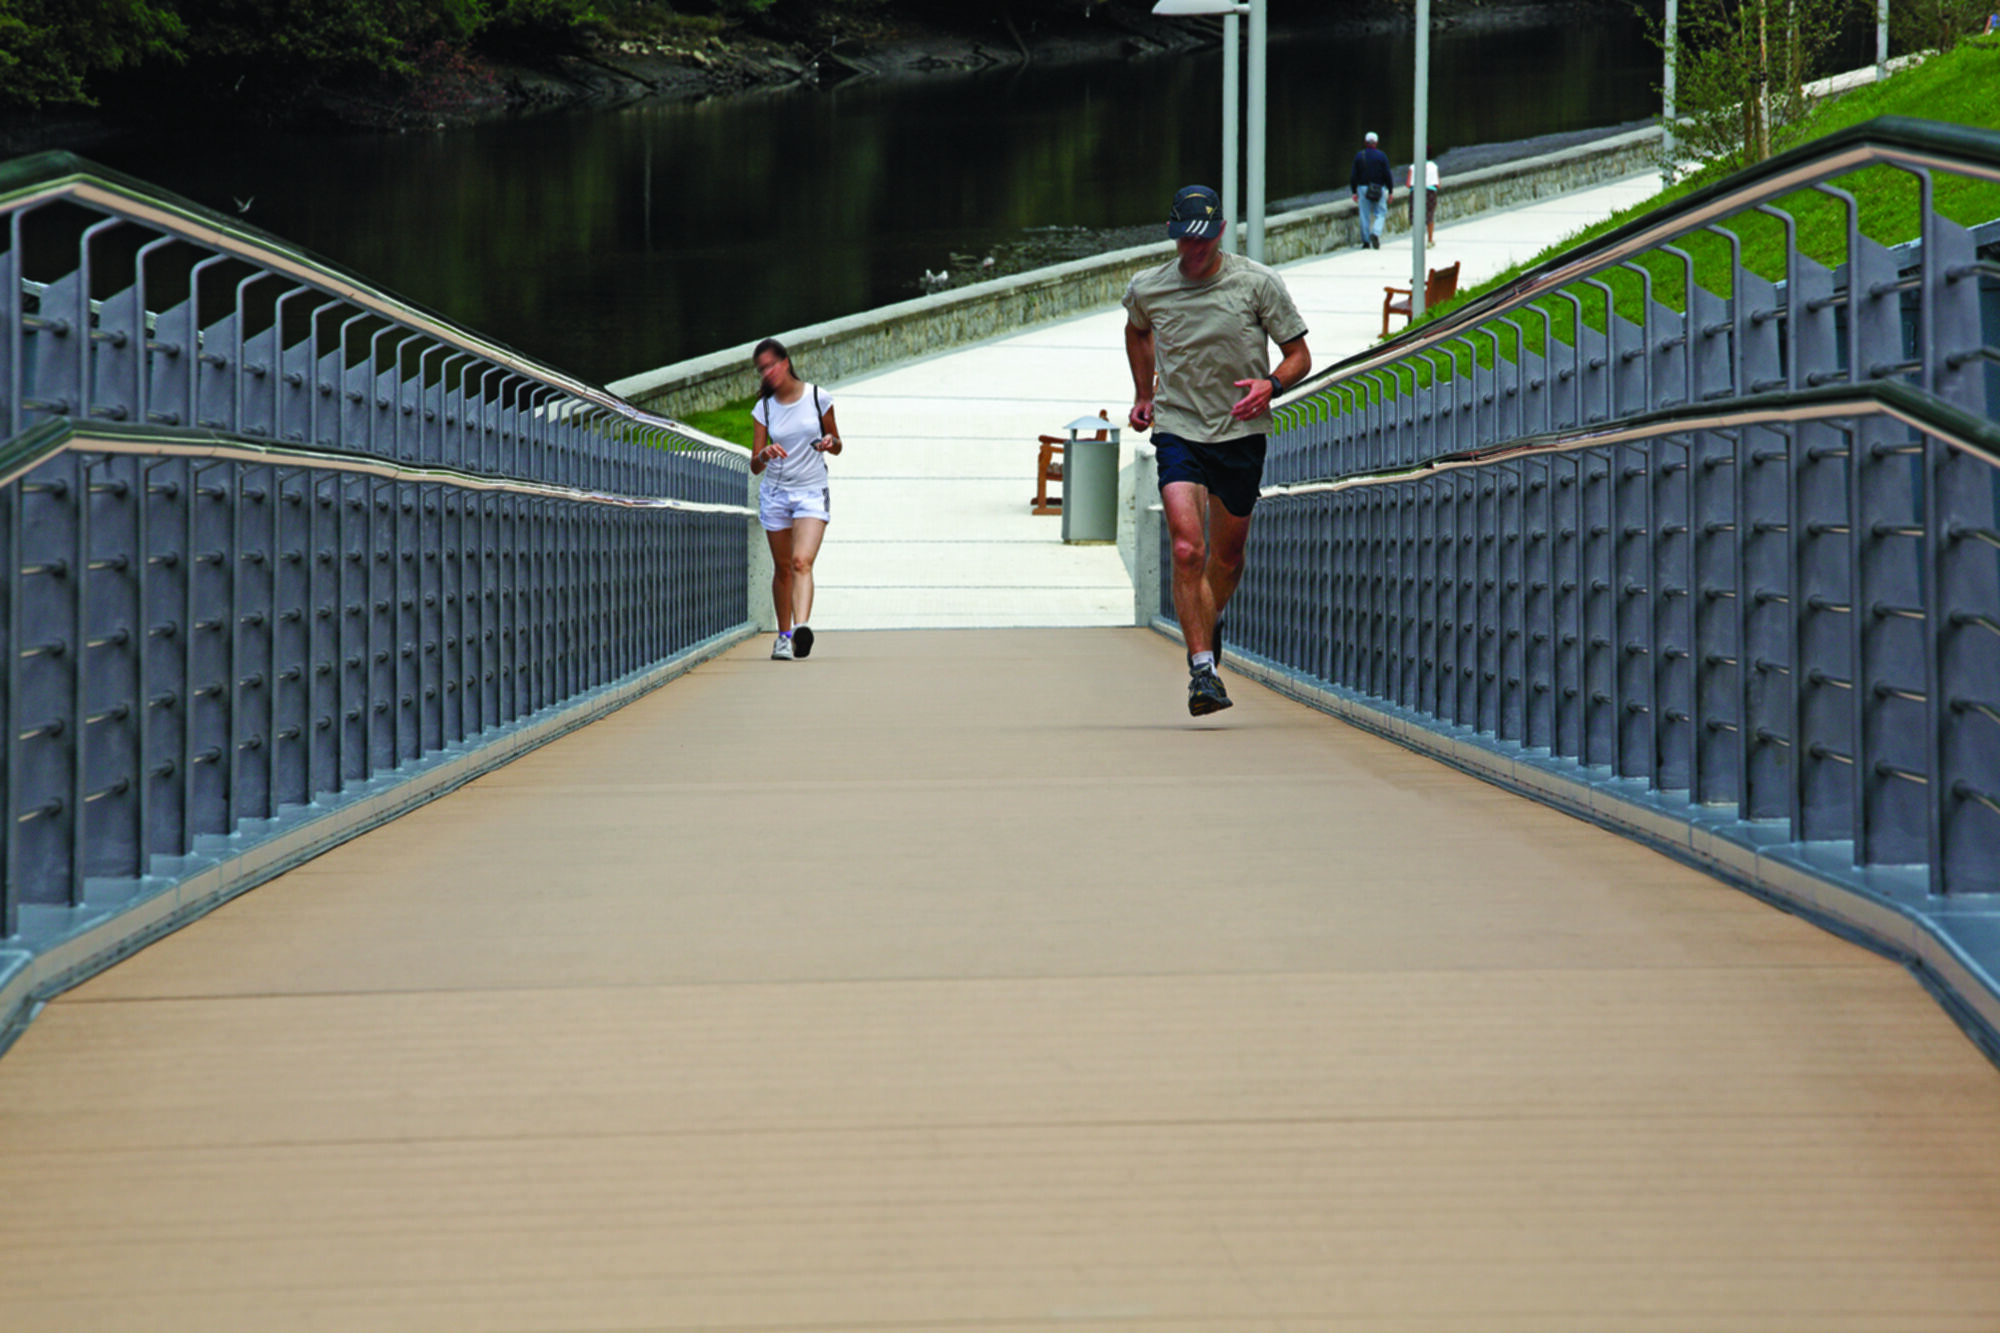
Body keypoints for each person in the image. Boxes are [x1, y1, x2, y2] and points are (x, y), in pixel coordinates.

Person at [1123, 185, 1312, 717]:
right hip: (1178, 427)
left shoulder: (1256, 284)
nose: (1193, 251)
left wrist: (1270, 386)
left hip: (1240, 432)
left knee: (1227, 556)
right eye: (1184, 241)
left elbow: (1299, 354)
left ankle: (1208, 617)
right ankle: (1202, 671)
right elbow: (1136, 331)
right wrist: (1143, 393)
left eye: (1203, 241)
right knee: (1188, 549)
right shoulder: (1150, 288)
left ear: (1221, 233)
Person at [748, 337, 842, 661]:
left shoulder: (818, 397)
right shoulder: (764, 408)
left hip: (812, 491)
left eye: (772, 365)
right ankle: (783, 636)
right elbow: (755, 464)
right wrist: (765, 452)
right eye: (762, 369)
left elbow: (838, 442)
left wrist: (830, 441)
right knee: (784, 567)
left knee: (802, 561)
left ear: (786, 363)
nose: (768, 372)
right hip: (775, 493)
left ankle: (801, 628)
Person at [1350, 131, 1394, 250]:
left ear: (1365, 142)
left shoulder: (1359, 156)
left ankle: (1365, 242)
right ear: (1376, 143)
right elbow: (1387, 174)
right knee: (1381, 212)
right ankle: (1375, 233)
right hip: (1378, 187)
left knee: (1364, 215)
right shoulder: (1381, 156)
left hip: (1363, 188)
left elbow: (1354, 175)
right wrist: (1390, 191)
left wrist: (1353, 191)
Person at [1407, 155, 1440, 245]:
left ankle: (1418, 241)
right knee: (1429, 215)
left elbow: (1408, 184)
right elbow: (1438, 184)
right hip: (1430, 193)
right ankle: (1430, 240)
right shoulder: (1434, 166)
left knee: (1416, 216)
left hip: (1415, 192)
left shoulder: (1413, 167)